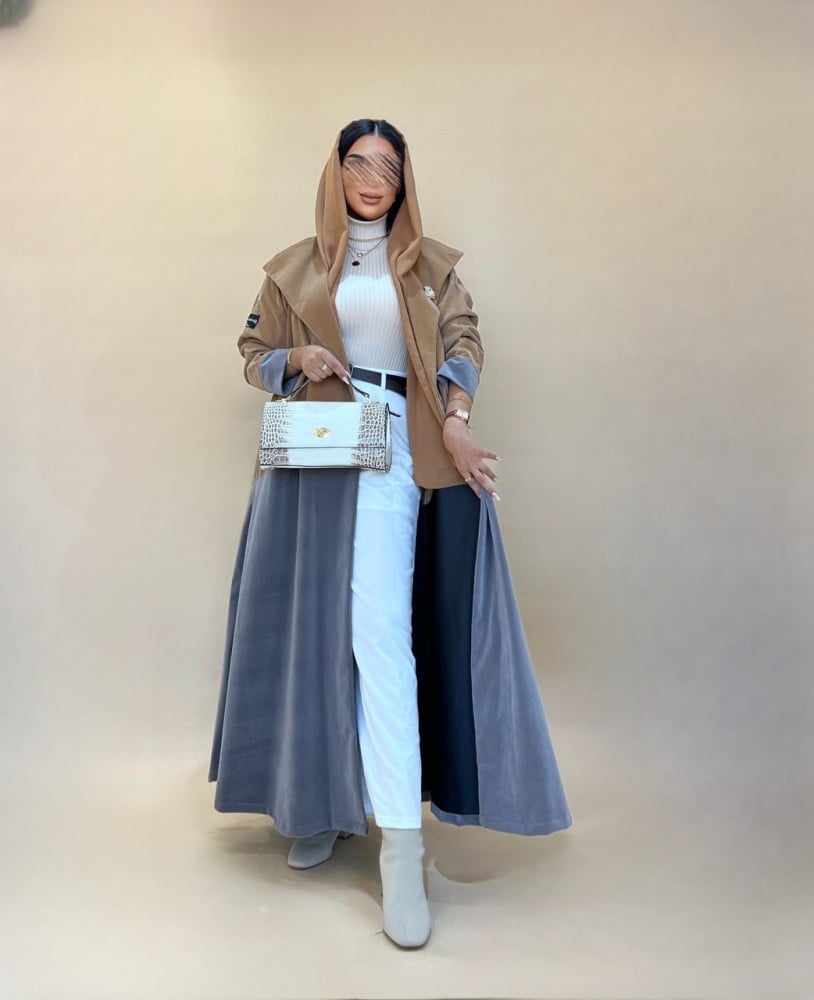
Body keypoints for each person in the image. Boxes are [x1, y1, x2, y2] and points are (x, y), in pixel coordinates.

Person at [208, 118, 572, 950]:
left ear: (405, 180)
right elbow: (254, 350)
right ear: (334, 171)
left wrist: (457, 418)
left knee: (378, 636)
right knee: (315, 634)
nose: (372, 179)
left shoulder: (432, 267)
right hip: (312, 452)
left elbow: (464, 346)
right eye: (358, 163)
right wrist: (296, 362)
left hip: (394, 447)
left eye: (388, 166)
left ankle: (402, 850)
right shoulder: (294, 267)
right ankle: (323, 805)